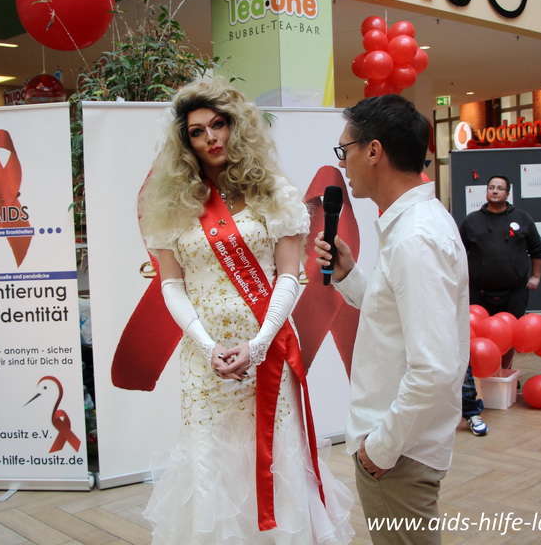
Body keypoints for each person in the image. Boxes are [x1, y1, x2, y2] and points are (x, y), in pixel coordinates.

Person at [138, 77, 353, 544]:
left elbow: (289, 276)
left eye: (219, 124)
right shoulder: (172, 203)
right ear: (185, 142)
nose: (210, 138)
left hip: (267, 350)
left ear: (237, 126)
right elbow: (171, 284)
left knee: (275, 455)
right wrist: (207, 346)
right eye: (197, 131)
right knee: (209, 463)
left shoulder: (274, 193)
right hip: (206, 360)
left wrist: (257, 345)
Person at [314, 94, 469, 545]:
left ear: (374, 151)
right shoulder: (411, 227)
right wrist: (349, 275)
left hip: (398, 453)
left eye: (345, 149)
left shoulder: (415, 238)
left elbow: (434, 369)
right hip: (399, 444)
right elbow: (396, 319)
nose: (342, 162)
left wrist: (379, 449)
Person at [458, 175, 541, 436]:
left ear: (508, 193)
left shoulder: (523, 219)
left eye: (500, 188)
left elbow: (537, 249)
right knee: (477, 338)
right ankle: (478, 382)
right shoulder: (471, 221)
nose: (495, 191)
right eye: (491, 188)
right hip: (479, 291)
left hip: (514, 290)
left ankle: (503, 375)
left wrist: (535, 276)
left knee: (510, 336)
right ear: (486, 192)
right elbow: (458, 253)